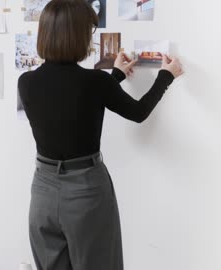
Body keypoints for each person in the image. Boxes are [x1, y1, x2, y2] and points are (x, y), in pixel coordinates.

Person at [17, 0, 184, 270]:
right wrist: (165, 76)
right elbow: (138, 111)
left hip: (43, 192)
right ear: (78, 36)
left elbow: (71, 100)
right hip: (85, 190)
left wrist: (115, 75)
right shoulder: (96, 83)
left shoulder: (26, 82)